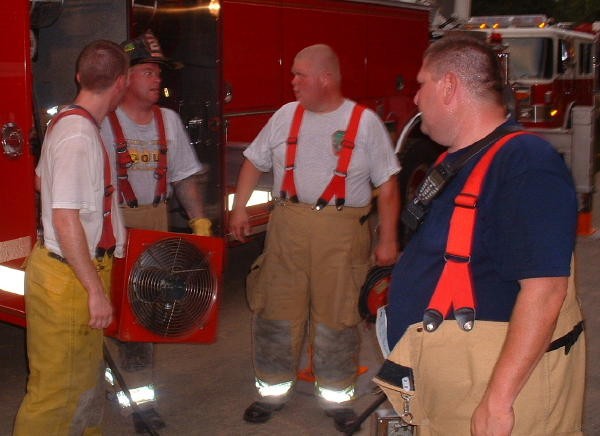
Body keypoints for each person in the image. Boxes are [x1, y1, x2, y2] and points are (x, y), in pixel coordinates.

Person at [375, 35, 585, 435]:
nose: (416, 99)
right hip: (452, 381)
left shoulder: (526, 163)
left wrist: (498, 402)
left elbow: (546, 290)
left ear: (450, 87)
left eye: (422, 84)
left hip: (487, 388)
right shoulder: (459, 160)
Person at [230, 44, 400, 427]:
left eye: (299, 74)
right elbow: (252, 162)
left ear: (325, 78)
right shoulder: (284, 116)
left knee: (337, 317)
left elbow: (388, 185)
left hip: (342, 235)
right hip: (286, 228)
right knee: (276, 312)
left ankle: (337, 398)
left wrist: (388, 239)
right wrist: (239, 209)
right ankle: (272, 393)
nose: (293, 82)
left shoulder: (364, 122)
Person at [13, 40, 128, 435]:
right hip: (72, 279)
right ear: (122, 84)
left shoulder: (65, 122)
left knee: (82, 386)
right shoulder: (79, 135)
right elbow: (65, 219)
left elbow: (40, 180)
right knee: (56, 396)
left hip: (71, 273)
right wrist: (95, 289)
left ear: (80, 77)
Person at [100, 30, 211, 432]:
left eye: (157, 73)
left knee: (148, 314)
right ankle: (119, 389)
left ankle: (140, 404)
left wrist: (199, 225)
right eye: (147, 71)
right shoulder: (103, 123)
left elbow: (184, 178)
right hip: (114, 226)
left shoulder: (169, 121)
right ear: (124, 78)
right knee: (109, 314)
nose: (156, 79)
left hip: (156, 225)